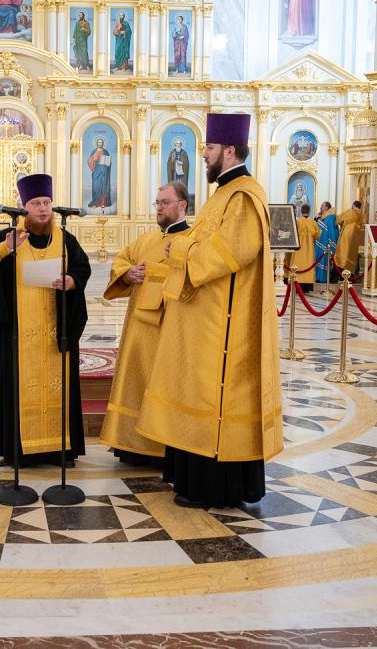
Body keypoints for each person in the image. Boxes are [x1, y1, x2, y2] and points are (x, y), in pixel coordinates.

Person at [136, 112, 282, 508]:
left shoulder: (244, 196)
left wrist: (180, 247)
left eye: (210, 148)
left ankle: (215, 488)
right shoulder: (222, 194)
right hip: (207, 321)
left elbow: (232, 251)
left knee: (213, 401)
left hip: (224, 328)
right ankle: (193, 481)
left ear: (230, 151)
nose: (203, 154)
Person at [0, 174, 91, 467]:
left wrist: (72, 281)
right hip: (18, 333)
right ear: (23, 207)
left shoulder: (64, 237)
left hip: (57, 330)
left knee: (60, 387)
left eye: (47, 202)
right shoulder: (12, 237)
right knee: (19, 388)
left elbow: (82, 268)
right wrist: (4, 249)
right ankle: (18, 451)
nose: (43, 209)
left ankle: (61, 450)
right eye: (36, 203)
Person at [100, 182, 190, 468]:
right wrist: (128, 274)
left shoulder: (192, 241)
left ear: (182, 205)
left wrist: (156, 273)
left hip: (168, 331)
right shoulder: (146, 240)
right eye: (157, 203)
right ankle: (131, 446)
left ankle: (160, 447)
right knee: (134, 385)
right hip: (137, 332)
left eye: (165, 202)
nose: (159, 208)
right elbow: (122, 261)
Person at [287, 204, 320, 292]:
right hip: (309, 249)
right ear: (309, 212)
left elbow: (292, 233)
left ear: (301, 211)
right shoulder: (313, 222)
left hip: (298, 248)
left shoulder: (297, 221)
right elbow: (317, 235)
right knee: (308, 265)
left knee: (297, 264)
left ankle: (296, 285)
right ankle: (307, 287)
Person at [335, 200, 364, 277]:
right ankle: (351, 276)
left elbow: (338, 219)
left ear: (354, 205)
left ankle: (341, 276)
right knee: (352, 257)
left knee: (343, 256)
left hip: (346, 238)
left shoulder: (350, 211)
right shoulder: (361, 215)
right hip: (354, 240)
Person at [314, 201, 338, 283]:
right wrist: (316, 219)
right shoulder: (321, 216)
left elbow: (331, 231)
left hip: (325, 244)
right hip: (319, 242)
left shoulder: (330, 217)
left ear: (327, 207)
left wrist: (332, 244)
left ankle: (323, 278)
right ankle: (317, 277)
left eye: (322, 206)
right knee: (318, 259)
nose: (320, 207)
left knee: (324, 260)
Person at [87, 138, 112, 209]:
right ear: (97, 143)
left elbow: (109, 162)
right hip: (96, 171)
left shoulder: (106, 152)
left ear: (103, 143)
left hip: (104, 170)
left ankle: (103, 203)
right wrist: (93, 159)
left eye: (101, 142)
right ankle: (95, 202)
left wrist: (107, 163)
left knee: (103, 186)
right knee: (95, 186)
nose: (100, 143)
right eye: (99, 142)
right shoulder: (94, 151)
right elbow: (89, 160)